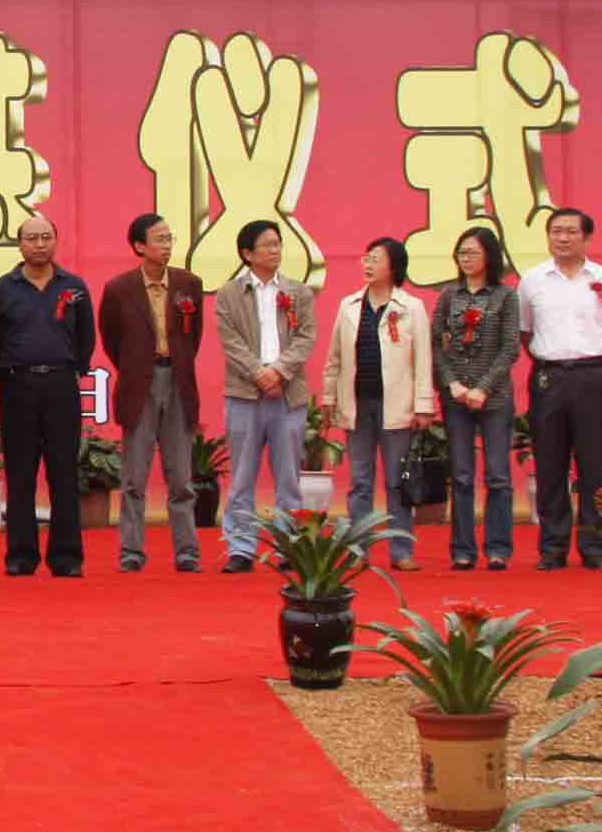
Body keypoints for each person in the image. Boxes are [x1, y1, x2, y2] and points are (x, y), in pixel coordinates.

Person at [519, 208, 602, 570]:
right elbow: (525, 332)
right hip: (548, 375)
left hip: (592, 375)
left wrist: (591, 364)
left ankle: (595, 546)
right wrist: (552, 362)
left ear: (587, 238)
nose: (563, 238)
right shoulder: (533, 280)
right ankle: (553, 547)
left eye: (571, 231)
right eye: (556, 231)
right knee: (550, 462)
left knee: (593, 464)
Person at [0, 216, 95, 578]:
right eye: (32, 238)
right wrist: (1, 373)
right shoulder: (2, 289)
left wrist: (74, 368)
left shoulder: (74, 286)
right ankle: (21, 555)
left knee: (64, 473)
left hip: (61, 386)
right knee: (20, 474)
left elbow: (86, 337)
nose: (39, 244)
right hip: (17, 387)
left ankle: (67, 557)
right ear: (19, 244)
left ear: (55, 241)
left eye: (46, 237)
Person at [320, 237, 436, 570]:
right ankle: (358, 551)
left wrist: (423, 405)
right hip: (358, 404)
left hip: (396, 405)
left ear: (394, 266)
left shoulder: (411, 307)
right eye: (366, 258)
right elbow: (334, 358)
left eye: (376, 259)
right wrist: (328, 397)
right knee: (360, 481)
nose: (368, 264)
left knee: (397, 481)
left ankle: (402, 551)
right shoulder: (349, 305)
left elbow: (423, 360)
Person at [100, 214, 205, 574]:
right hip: (138, 386)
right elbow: (111, 339)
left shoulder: (189, 284)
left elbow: (193, 337)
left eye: (169, 237)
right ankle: (131, 552)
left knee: (181, 478)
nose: (167, 244)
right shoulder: (119, 289)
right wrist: (137, 367)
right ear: (139, 246)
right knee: (134, 479)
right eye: (159, 239)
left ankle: (187, 552)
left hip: (178, 382)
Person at [214, 220, 317, 572]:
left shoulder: (298, 291)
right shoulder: (228, 294)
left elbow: (306, 337)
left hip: (287, 394)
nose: (275, 250)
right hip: (244, 394)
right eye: (267, 245)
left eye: (278, 243)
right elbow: (230, 341)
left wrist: (280, 371)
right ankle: (240, 548)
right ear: (247, 253)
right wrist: (259, 373)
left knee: (288, 476)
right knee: (242, 476)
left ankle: (289, 546)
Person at [432, 227, 520, 570]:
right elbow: (436, 344)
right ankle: (463, 549)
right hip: (456, 397)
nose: (465, 259)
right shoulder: (448, 295)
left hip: (494, 398)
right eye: (461, 253)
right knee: (462, 475)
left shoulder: (505, 296)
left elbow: (510, 348)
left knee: (498, 475)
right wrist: (452, 384)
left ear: (489, 256)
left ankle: (498, 548)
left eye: (472, 252)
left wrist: (483, 387)